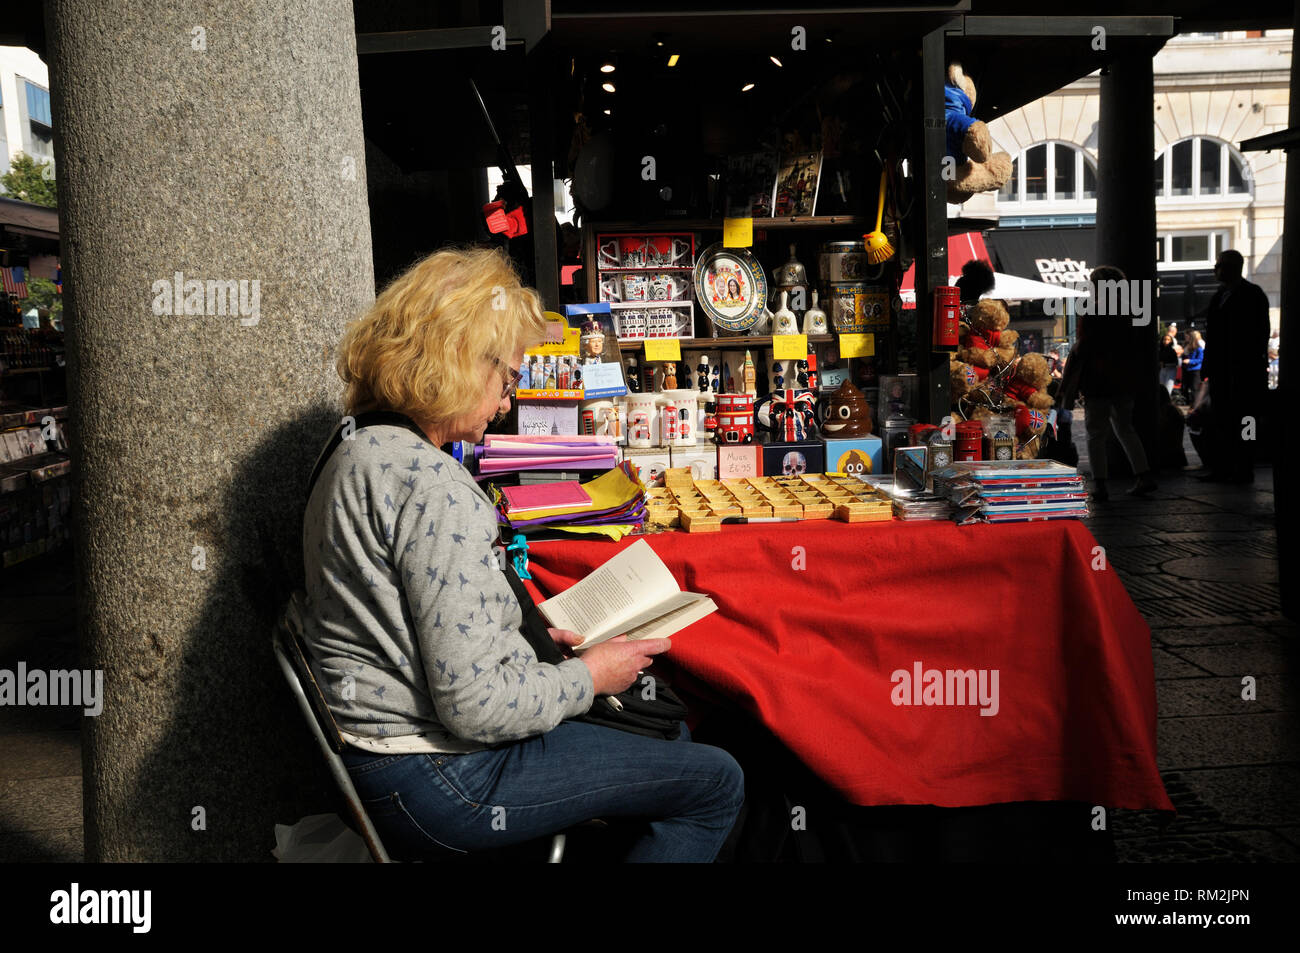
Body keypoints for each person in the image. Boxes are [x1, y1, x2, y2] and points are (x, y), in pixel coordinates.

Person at [300, 246, 744, 862]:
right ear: (459, 358)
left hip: (374, 765)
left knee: (664, 745)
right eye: (508, 378)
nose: (508, 402)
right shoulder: (432, 487)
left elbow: (410, 627)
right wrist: (590, 677)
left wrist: (525, 648)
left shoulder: (353, 451)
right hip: (439, 781)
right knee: (716, 780)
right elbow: (475, 708)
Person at [1057, 265, 1158, 501]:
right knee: (1126, 429)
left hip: (1098, 381)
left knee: (1095, 434)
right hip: (1124, 380)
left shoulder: (1093, 312)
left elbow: (1083, 347)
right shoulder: (1131, 311)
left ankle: (1100, 485)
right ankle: (1144, 475)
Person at [1198, 249, 1270, 483]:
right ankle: (1224, 465)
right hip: (1222, 371)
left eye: (1218, 265)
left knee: (1246, 421)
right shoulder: (1219, 295)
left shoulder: (1253, 294)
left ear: (1231, 268)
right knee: (1223, 420)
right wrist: (1207, 366)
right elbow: (1213, 336)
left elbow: (1260, 333)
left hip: (1245, 372)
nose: (1215, 270)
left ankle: (1244, 466)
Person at [1180, 330, 1204, 405]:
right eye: (1186, 336)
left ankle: (1195, 404)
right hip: (1186, 369)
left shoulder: (1198, 348)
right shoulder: (1185, 346)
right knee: (1184, 387)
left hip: (1195, 370)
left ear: (1192, 338)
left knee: (1194, 388)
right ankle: (1186, 402)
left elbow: (1200, 360)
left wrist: (1190, 361)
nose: (1186, 338)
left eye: (1188, 337)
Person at [1158, 329, 1182, 395]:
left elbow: (1176, 363)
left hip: (1171, 370)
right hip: (1162, 370)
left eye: (1168, 340)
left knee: (1168, 389)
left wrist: (1165, 364)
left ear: (1171, 341)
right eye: (1164, 339)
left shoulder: (1172, 351)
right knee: (1161, 388)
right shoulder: (1160, 350)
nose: (1166, 341)